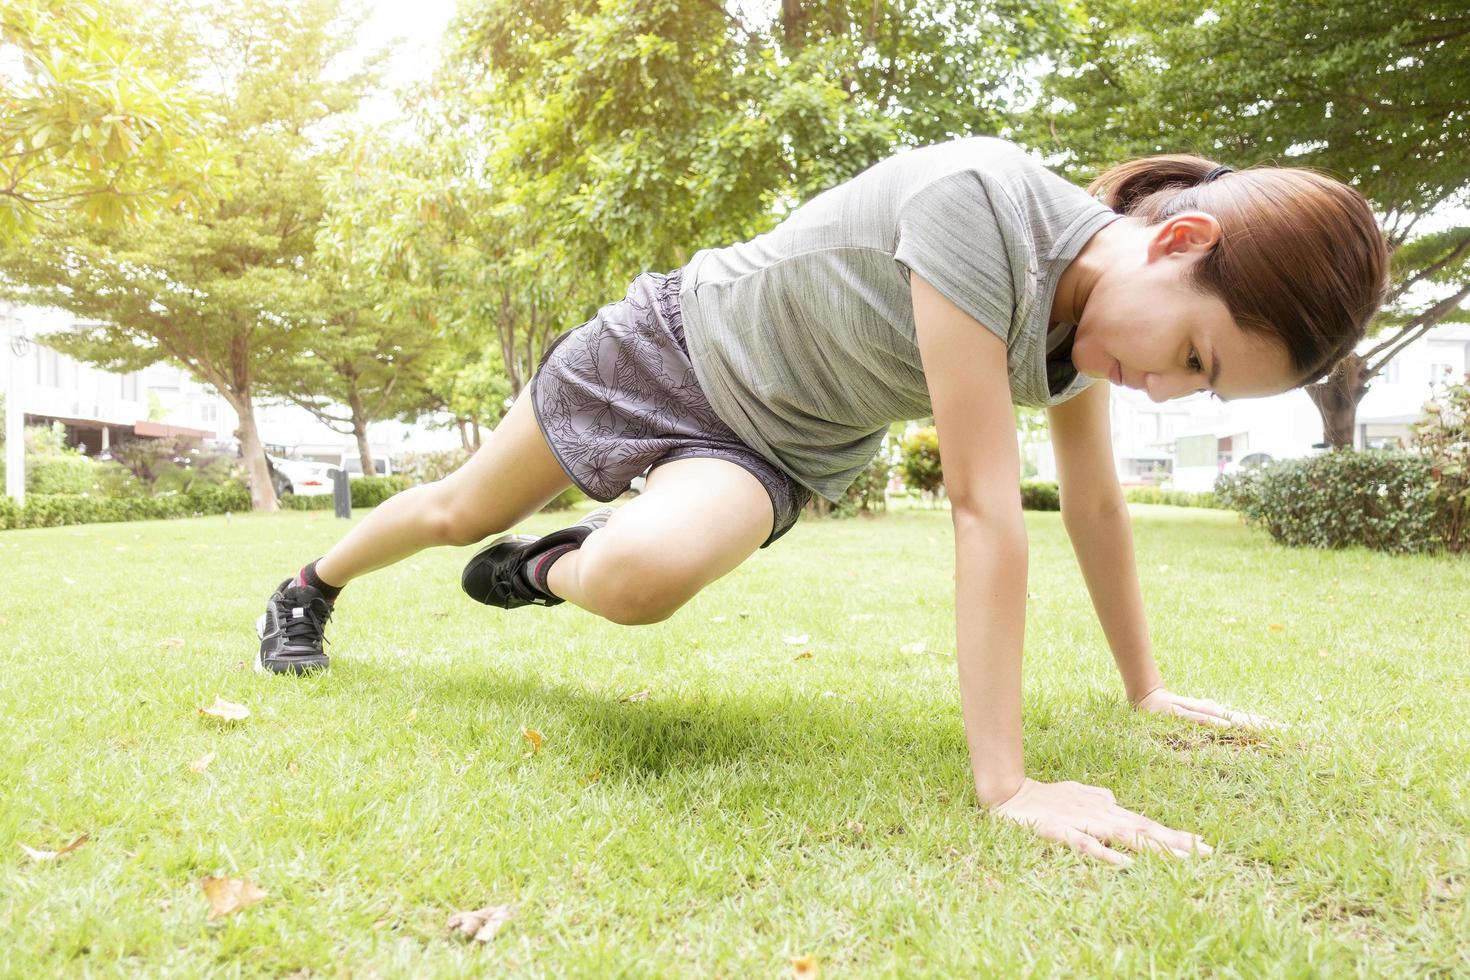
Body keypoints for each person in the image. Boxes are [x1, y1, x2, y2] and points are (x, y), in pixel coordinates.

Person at [254, 136, 1388, 866]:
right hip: (665, 350)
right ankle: (307, 588)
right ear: (1181, 241)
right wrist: (1008, 783)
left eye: (1203, 385)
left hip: (769, 448)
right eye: (1193, 356)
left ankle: (546, 565)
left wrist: (1147, 689)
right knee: (456, 505)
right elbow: (987, 506)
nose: (1159, 386)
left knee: (639, 580)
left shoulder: (1083, 343)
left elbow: (1092, 507)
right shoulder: (979, 206)